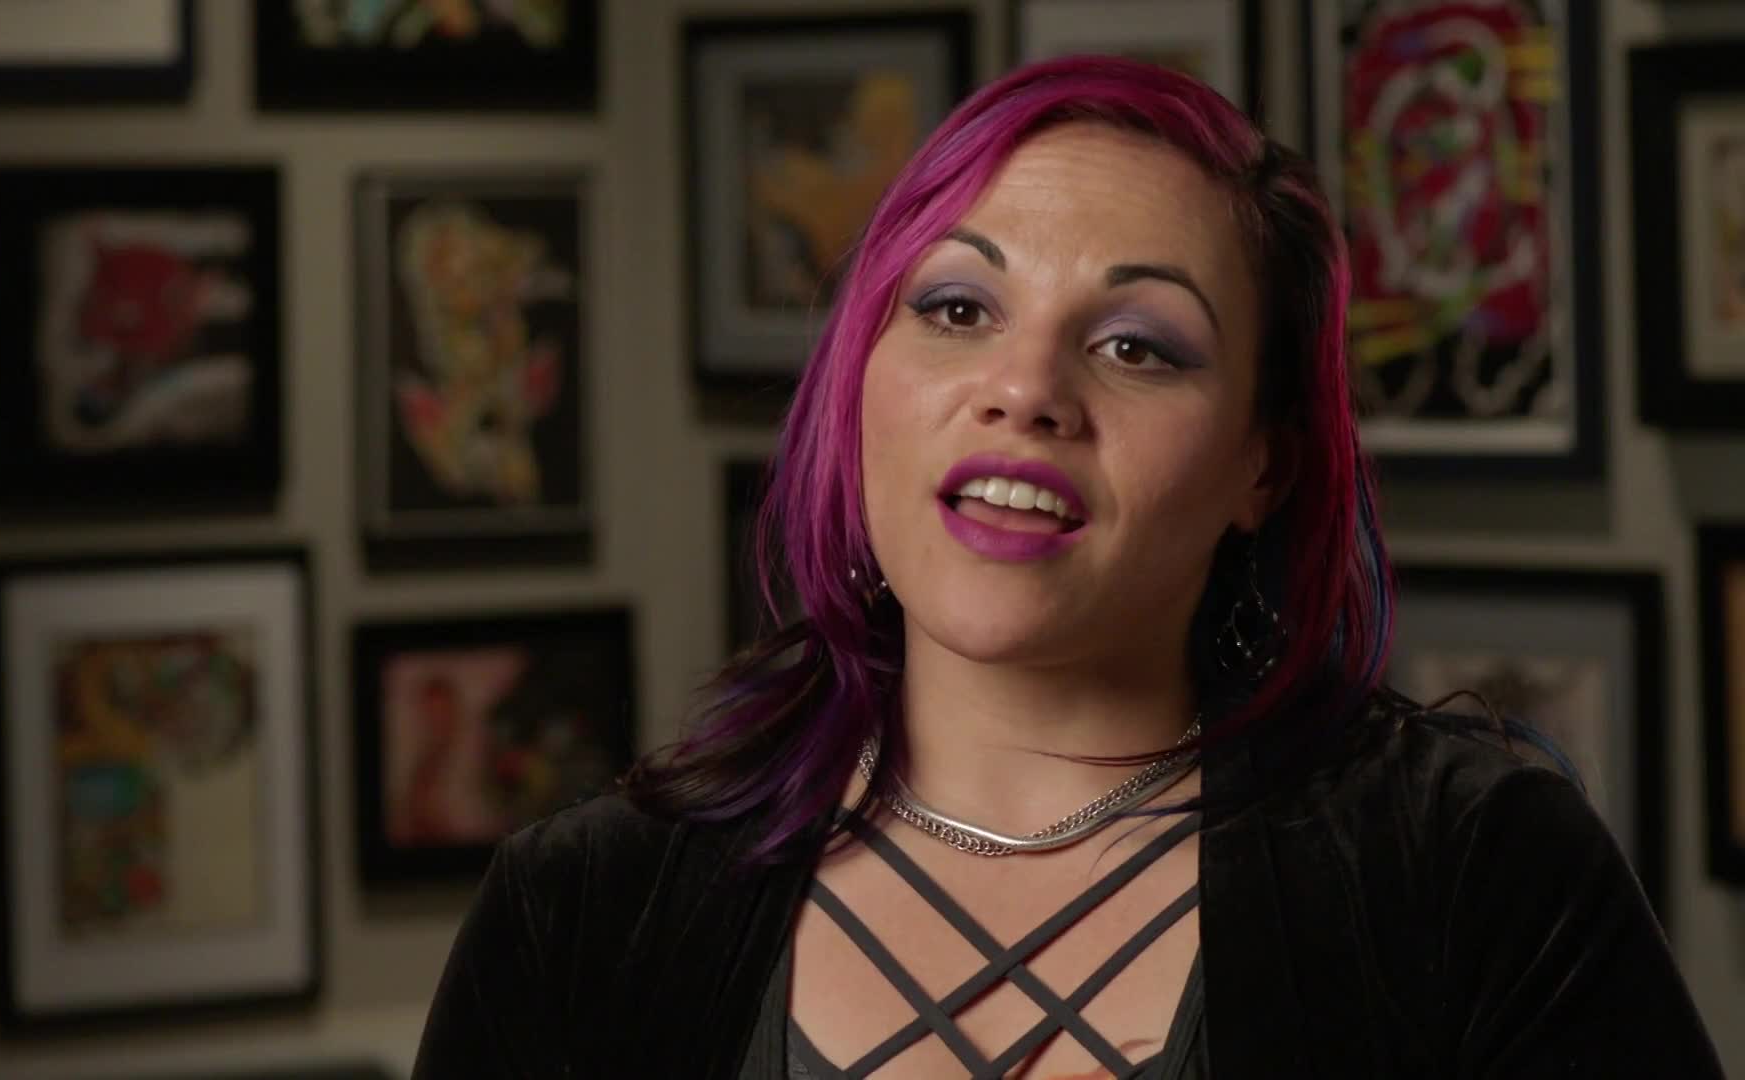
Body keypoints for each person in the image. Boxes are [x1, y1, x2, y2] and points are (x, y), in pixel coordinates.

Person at [409, 56, 1724, 1079]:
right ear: (860, 378)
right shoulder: (581, 914)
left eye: (1138, 346)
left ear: (1261, 468)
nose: (1026, 388)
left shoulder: (1471, 874)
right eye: (957, 308)